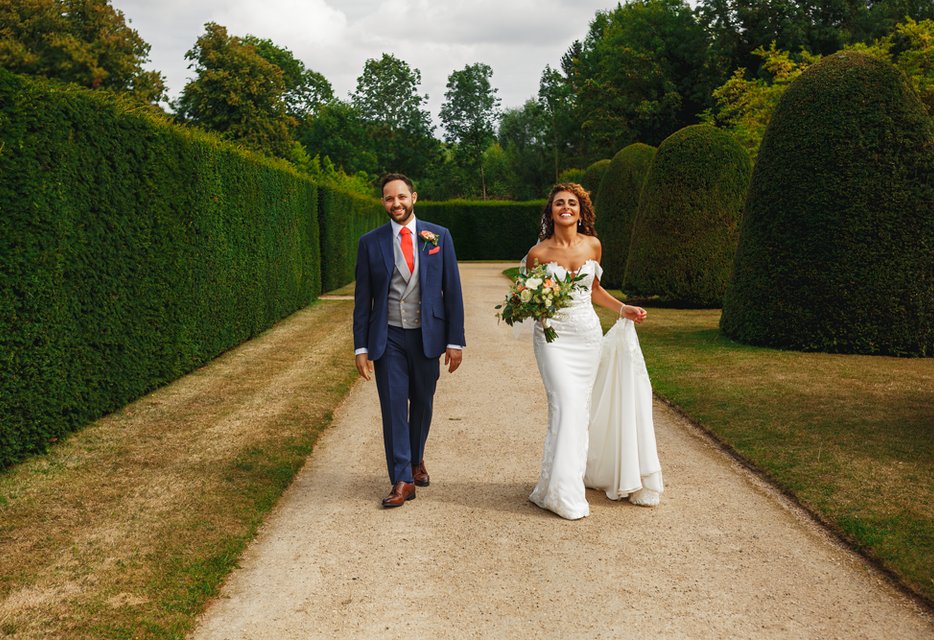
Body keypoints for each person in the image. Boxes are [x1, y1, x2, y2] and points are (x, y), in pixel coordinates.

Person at [524, 183, 650, 520]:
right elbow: (528, 300)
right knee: (565, 404)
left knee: (577, 411)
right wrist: (538, 307)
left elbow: (594, 290)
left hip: (587, 337)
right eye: (559, 203)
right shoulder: (537, 253)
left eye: (572, 203)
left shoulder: (594, 246)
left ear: (581, 211)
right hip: (552, 338)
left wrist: (622, 308)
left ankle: (557, 484)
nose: (566, 207)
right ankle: (563, 493)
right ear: (551, 212)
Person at [353, 173, 466, 508]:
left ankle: (416, 459)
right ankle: (402, 478)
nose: (396, 203)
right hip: (388, 337)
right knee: (392, 408)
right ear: (383, 203)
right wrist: (361, 347)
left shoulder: (438, 237)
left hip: (427, 335)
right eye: (389, 198)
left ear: (413, 197)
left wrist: (455, 341)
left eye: (401, 197)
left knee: (423, 402)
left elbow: (453, 293)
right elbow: (363, 300)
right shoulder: (369, 243)